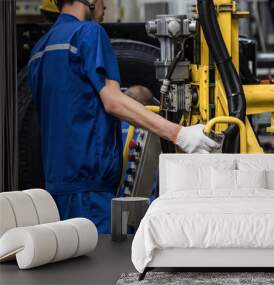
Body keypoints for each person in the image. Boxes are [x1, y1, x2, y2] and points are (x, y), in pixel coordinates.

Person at [28, 0, 219, 233]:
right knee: (102, 264)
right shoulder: (88, 33)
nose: (105, 5)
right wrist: (180, 134)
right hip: (91, 191)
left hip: (55, 189)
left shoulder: (40, 49)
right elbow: (113, 101)